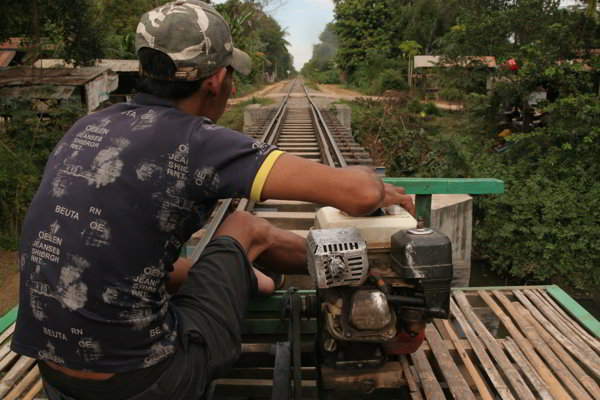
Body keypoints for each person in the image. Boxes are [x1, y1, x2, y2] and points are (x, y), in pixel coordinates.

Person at [10, 1, 415, 399]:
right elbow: (359, 194)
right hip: (150, 380)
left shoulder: (89, 124)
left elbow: (125, 262)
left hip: (58, 380)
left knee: (164, 258)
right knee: (246, 226)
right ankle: (298, 274)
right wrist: (379, 186)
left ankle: (253, 277)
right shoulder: (197, 140)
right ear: (216, 82)